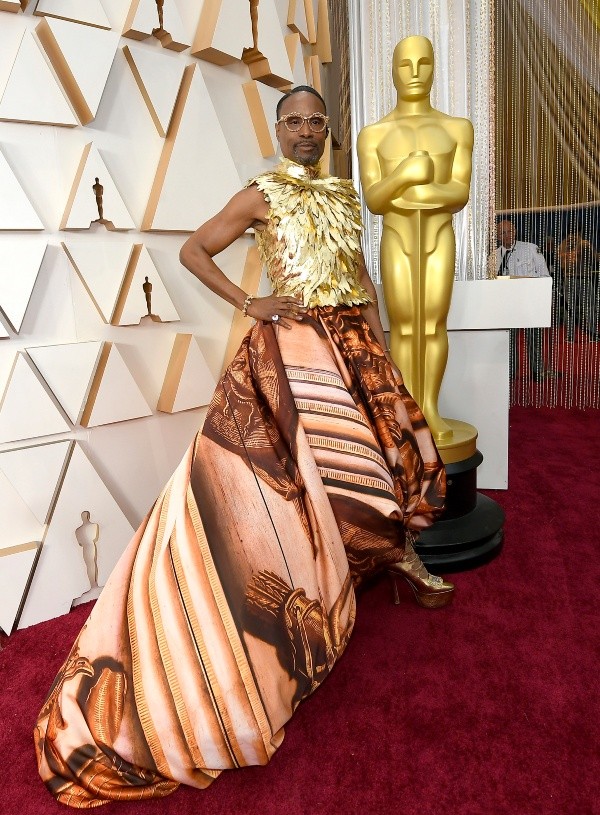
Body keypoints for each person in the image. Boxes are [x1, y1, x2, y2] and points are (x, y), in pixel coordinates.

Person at [34, 86, 451, 808]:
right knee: (295, 477)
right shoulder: (261, 193)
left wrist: (378, 343)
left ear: (327, 130)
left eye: (316, 121)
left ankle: (389, 554)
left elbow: (359, 274)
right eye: (294, 122)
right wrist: (249, 302)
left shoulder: (345, 195)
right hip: (294, 348)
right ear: (279, 130)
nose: (306, 131)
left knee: (380, 456)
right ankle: (304, 582)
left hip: (353, 343)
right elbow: (193, 249)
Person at [356, 35, 473, 443]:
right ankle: (410, 412)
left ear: (434, 67)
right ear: (392, 71)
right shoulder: (373, 135)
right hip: (397, 236)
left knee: (434, 324)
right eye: (406, 65)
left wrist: (409, 192)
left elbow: (459, 192)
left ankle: (432, 410)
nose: (415, 73)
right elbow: (374, 199)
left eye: (424, 63)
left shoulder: (456, 128)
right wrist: (407, 174)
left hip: (438, 234)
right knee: (403, 325)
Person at [494, 219, 558, 382]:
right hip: (507, 305)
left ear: (515, 231)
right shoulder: (494, 256)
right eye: (503, 233)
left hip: (531, 302)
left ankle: (537, 371)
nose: (508, 235)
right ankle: (510, 373)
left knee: (534, 339)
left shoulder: (531, 249)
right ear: (498, 236)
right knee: (509, 339)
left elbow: (545, 275)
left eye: (510, 231)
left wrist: (542, 299)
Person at [557, 230, 600, 342]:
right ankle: (592, 335)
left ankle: (570, 336)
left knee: (569, 309)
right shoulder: (584, 243)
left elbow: (559, 260)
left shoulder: (563, 245)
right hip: (583, 278)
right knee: (589, 308)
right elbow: (594, 259)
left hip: (568, 279)